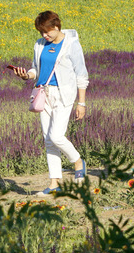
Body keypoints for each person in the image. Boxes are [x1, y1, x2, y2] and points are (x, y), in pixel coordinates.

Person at [11, 10, 89, 195]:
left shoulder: (71, 44)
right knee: (48, 140)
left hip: (64, 95)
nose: (44, 36)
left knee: (56, 136)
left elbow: (82, 75)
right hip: (43, 94)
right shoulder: (39, 45)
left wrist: (82, 103)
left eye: (47, 32)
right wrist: (26, 75)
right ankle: (54, 182)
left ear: (56, 26)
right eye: (41, 33)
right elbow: (35, 70)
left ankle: (78, 161)